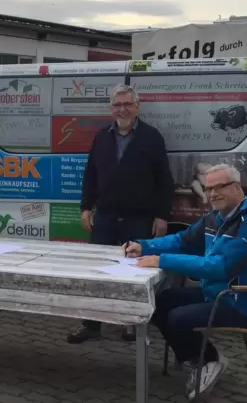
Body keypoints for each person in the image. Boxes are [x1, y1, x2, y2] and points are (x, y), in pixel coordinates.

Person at [125, 163, 247, 399]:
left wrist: (161, 260)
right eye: (208, 189)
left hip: (244, 300)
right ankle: (202, 360)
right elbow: (184, 239)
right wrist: (145, 245)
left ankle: (209, 361)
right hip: (217, 292)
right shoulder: (216, 216)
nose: (212, 194)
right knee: (159, 302)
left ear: (236, 187)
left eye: (219, 187)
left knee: (178, 318)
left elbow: (222, 268)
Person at [67, 84, 174, 344]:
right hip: (104, 215)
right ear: (111, 109)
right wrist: (85, 207)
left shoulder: (152, 137)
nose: (122, 109)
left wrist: (161, 216)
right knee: (96, 272)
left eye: (128, 104)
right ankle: (91, 324)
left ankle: (130, 324)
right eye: (117, 105)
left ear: (137, 107)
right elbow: (90, 175)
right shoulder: (102, 136)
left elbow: (164, 180)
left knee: (133, 273)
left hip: (139, 217)